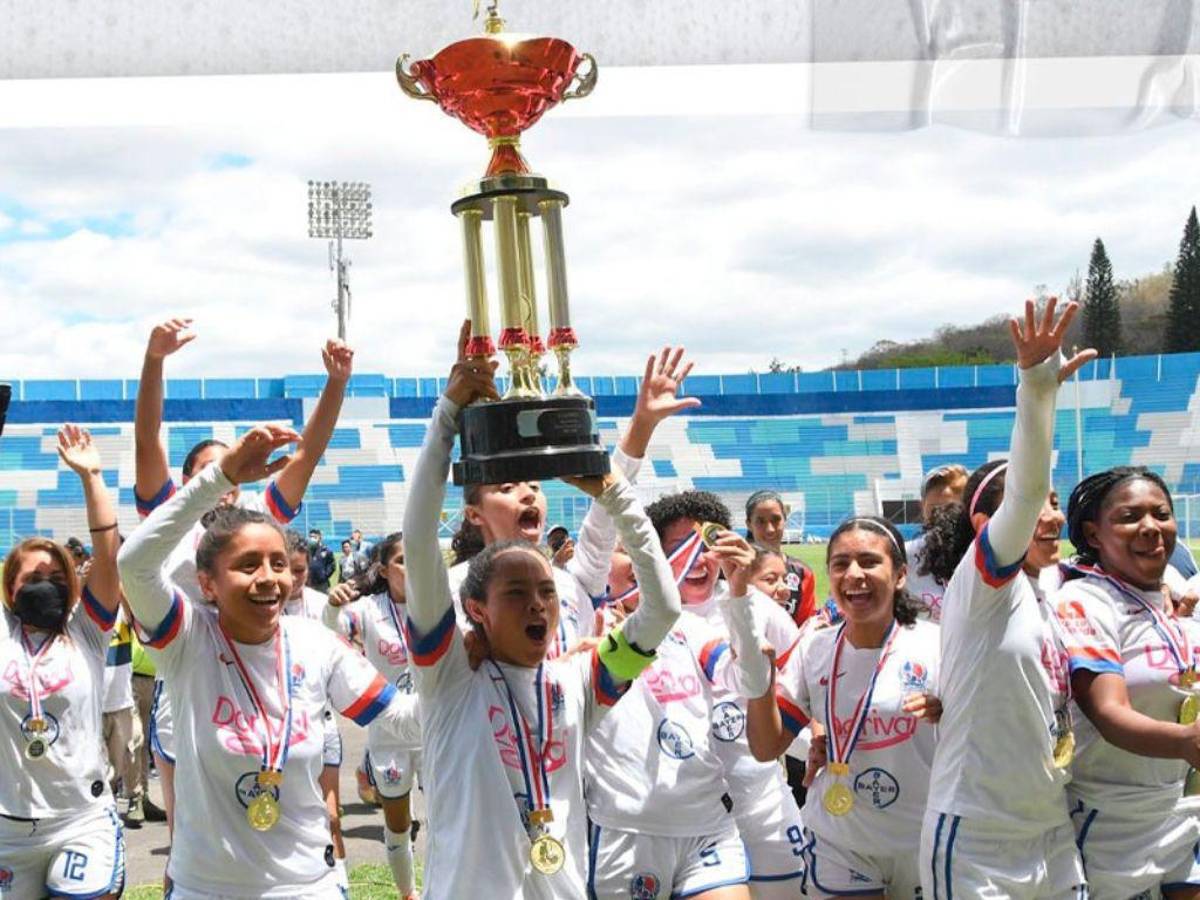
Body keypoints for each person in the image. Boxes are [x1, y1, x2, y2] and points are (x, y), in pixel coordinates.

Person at [401, 322, 682, 899]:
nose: (538, 604)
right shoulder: (451, 669)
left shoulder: (576, 680)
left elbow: (660, 607)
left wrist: (614, 485)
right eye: (516, 595)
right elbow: (419, 534)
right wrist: (447, 418)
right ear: (474, 610)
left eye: (546, 594)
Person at [117, 423, 421, 899]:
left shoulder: (314, 643)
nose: (269, 579)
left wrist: (476, 681)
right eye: (247, 565)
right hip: (206, 888)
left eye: (278, 564)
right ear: (208, 583)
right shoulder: (188, 637)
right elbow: (133, 563)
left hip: (307, 886)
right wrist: (219, 478)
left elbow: (402, 721)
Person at [132, 317, 352, 845]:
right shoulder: (169, 518)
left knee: (282, 808)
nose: (227, 482)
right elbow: (146, 437)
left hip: (265, 669)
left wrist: (337, 383)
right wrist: (154, 359)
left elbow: (308, 453)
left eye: (234, 468)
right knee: (193, 828)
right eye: (215, 470)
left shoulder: (260, 518)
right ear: (192, 483)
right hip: (192, 670)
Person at [916, 298, 1095, 898]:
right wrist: (1037, 389)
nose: (1048, 515)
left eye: (1054, 503)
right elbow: (1021, 496)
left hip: (1050, 826)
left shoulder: (1053, 586)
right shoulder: (983, 584)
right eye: (1033, 505)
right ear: (986, 525)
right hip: (976, 837)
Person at [734, 516, 942, 899]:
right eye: (841, 564)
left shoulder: (938, 645)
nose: (854, 574)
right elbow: (766, 748)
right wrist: (759, 683)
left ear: (899, 575)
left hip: (924, 836)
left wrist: (947, 713)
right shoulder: (815, 648)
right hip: (840, 839)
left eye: (869, 561)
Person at [446, 344, 701, 650]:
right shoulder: (452, 586)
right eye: (507, 488)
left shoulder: (573, 583)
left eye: (535, 486)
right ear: (474, 513)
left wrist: (643, 423)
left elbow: (607, 510)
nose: (528, 494)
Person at [644, 490, 804, 897]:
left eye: (705, 547)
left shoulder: (757, 607)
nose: (698, 562)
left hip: (764, 804)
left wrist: (812, 734)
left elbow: (801, 674)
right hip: (686, 819)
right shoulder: (640, 620)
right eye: (680, 550)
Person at [1053, 467, 1200, 898]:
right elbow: (1108, 712)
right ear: (1093, 534)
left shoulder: (1175, 595)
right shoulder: (1083, 601)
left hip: (1186, 807)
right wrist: (1186, 740)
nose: (1151, 528)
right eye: (1130, 517)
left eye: (1161, 513)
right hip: (1113, 821)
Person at [0, 425, 124, 900]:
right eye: (33, 577)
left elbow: (108, 557)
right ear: (10, 589)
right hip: (8, 828)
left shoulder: (87, 630)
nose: (46, 584)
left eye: (56, 577)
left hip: (80, 820)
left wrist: (92, 477)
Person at [324, 533, 419, 900]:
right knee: (398, 826)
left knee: (447, 820)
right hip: (389, 734)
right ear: (383, 569)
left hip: (436, 731)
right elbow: (329, 635)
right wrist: (332, 608)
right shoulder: (369, 609)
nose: (411, 568)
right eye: (401, 561)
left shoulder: (438, 603)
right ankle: (408, 893)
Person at [283, 530, 346, 861]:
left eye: (300, 570)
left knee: (331, 816)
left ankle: (338, 882)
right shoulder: (259, 609)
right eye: (286, 568)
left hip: (321, 725)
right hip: (276, 733)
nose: (293, 579)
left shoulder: (324, 604)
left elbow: (338, 655)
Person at [904, 464, 969, 622]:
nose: (942, 515)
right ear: (922, 506)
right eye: (935, 508)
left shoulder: (983, 553)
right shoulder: (905, 555)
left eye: (952, 507)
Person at [744, 490, 816, 628]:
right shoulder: (732, 569)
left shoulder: (802, 573)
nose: (770, 529)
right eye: (761, 521)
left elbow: (806, 627)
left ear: (785, 520)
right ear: (748, 524)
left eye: (776, 520)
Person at [102, 603, 139, 824]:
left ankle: (117, 804)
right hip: (93, 707)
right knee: (98, 770)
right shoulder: (82, 612)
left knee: (120, 765)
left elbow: (136, 613)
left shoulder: (123, 612)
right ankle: (103, 815)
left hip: (121, 704)